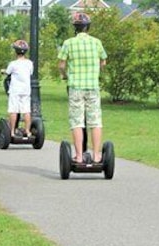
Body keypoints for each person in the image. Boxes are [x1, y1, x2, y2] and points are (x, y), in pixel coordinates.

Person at [58, 12, 107, 164]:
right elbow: (103, 61)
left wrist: (64, 75)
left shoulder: (68, 43)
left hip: (76, 87)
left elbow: (61, 64)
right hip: (92, 86)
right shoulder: (96, 42)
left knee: (77, 121)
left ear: (75, 28)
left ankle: (79, 156)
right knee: (95, 121)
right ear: (88, 27)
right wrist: (95, 70)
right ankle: (97, 155)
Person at [3, 39, 34, 138]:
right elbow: (30, 73)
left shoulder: (13, 64)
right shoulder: (29, 63)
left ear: (15, 51)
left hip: (15, 90)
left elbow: (8, 72)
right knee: (26, 110)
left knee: (13, 110)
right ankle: (28, 131)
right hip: (26, 90)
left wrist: (3, 71)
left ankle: (12, 132)